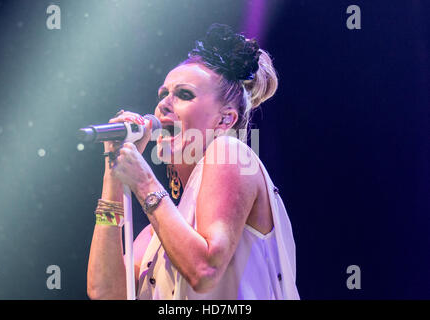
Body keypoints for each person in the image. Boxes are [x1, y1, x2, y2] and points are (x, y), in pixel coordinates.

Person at [87, 24, 299, 300]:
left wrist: (143, 182)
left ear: (225, 119)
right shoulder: (156, 236)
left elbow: (204, 271)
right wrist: (112, 178)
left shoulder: (230, 152)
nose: (163, 104)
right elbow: (104, 292)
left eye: (183, 94)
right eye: (163, 95)